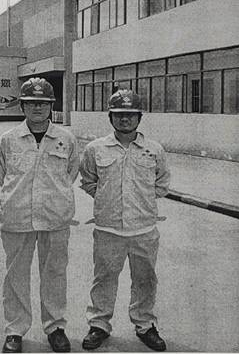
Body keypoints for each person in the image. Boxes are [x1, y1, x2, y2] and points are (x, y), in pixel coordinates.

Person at [78, 89, 171, 352]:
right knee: (104, 278)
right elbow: (88, 181)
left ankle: (145, 325)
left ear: (139, 117)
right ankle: (99, 325)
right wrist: (108, 200)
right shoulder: (95, 149)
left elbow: (162, 183)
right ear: (110, 117)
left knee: (145, 279)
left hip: (144, 229)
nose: (125, 119)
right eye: (119, 114)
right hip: (108, 228)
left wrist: (140, 201)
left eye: (130, 114)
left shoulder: (154, 150)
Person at [0, 77, 79, 353]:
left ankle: (55, 327)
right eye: (31, 103)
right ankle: (15, 330)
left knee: (54, 274)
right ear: (22, 106)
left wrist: (51, 196)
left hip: (55, 216)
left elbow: (71, 173)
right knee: (15, 276)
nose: (37, 108)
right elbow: (0, 174)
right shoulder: (8, 139)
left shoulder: (66, 139)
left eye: (43, 103)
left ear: (51, 105)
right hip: (17, 216)